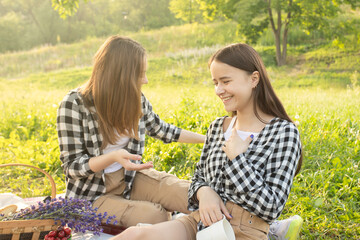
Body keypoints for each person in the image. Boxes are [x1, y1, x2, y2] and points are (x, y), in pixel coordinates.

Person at [112, 43, 303, 240]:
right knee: (137, 234)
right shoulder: (218, 127)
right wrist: (204, 192)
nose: (219, 90)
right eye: (215, 83)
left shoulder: (284, 133)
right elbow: (198, 178)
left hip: (243, 232)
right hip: (200, 223)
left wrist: (237, 159)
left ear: (254, 79)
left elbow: (271, 207)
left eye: (226, 81)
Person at [56, 35, 205, 228]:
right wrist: (113, 157)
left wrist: (209, 139)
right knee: (155, 216)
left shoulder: (136, 99)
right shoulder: (74, 104)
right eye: (139, 74)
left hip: (128, 179)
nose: (146, 80)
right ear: (120, 75)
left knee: (192, 194)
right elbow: (72, 167)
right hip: (91, 194)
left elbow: (162, 129)